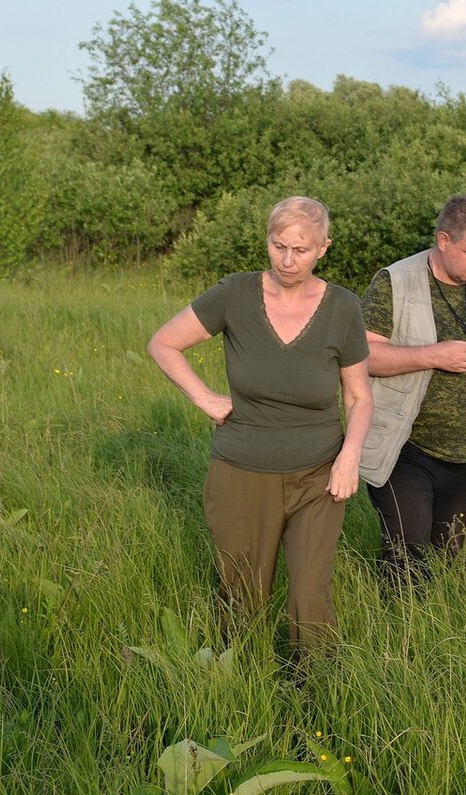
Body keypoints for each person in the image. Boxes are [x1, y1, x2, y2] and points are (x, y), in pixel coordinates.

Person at [148, 196, 372, 653]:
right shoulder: (235, 294)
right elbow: (164, 343)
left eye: (301, 250)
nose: (288, 260)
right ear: (267, 241)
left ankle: (316, 694)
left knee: (310, 596)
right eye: (278, 246)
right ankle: (240, 684)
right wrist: (204, 397)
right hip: (242, 469)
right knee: (242, 594)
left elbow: (359, 395)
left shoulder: (343, 307)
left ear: (323, 248)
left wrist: (350, 456)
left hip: (319, 473)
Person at [358, 195, 466, 584]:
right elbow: (363, 355)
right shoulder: (395, 281)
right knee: (407, 552)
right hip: (406, 446)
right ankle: (396, 637)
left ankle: (430, 631)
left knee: (445, 555)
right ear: (444, 240)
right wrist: (433, 355)